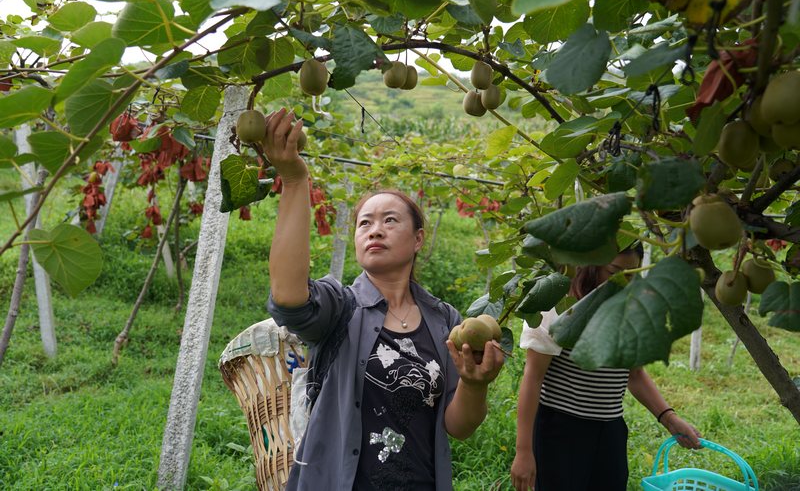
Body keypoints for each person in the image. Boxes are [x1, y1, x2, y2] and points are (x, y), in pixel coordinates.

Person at [263, 107, 505, 491]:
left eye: (390, 220)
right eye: (365, 223)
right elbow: (290, 299)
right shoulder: (339, 307)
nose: (375, 230)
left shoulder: (444, 319)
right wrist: (294, 179)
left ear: (418, 239)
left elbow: (458, 428)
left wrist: (476, 385)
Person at [510, 244, 702, 491]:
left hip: (609, 430)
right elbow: (533, 377)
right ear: (592, 263)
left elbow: (634, 373)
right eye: (614, 271)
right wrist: (523, 451)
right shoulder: (560, 302)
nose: (624, 280)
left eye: (632, 273)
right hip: (561, 431)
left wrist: (669, 418)